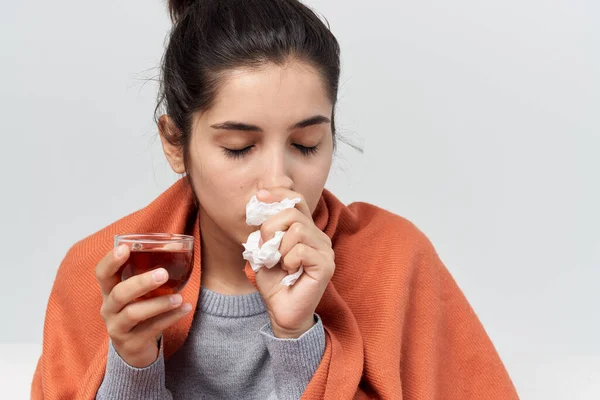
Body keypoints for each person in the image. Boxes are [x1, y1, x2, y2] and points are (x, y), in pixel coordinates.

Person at [32, 0, 519, 399]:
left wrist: (298, 336)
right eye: (239, 148)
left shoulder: (395, 261)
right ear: (174, 141)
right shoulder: (97, 277)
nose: (277, 181)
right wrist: (133, 367)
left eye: (306, 144)